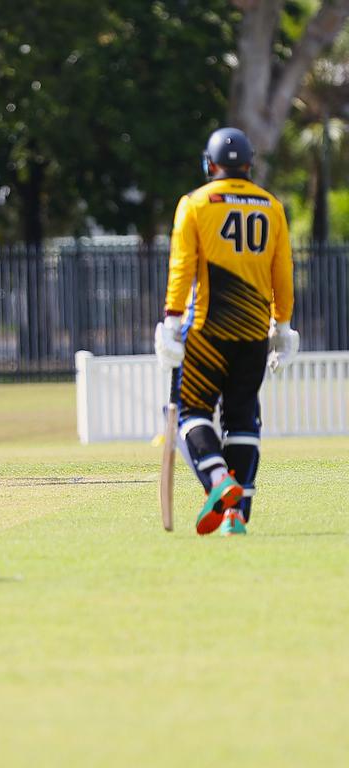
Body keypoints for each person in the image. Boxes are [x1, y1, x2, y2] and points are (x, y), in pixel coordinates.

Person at [154, 126, 298, 536]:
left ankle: (218, 481)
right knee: (243, 417)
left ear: (209, 164)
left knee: (193, 411)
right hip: (253, 333)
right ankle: (237, 514)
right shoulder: (272, 206)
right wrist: (283, 325)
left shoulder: (196, 203)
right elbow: (282, 272)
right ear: (249, 164)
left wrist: (170, 319)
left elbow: (181, 268)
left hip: (205, 332)